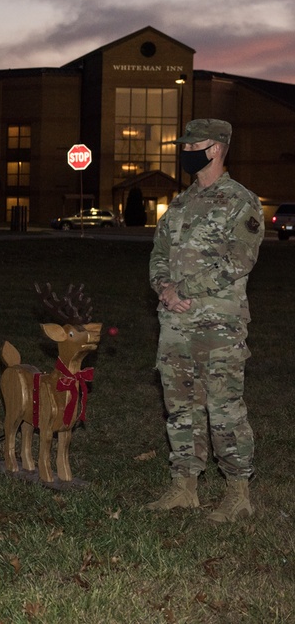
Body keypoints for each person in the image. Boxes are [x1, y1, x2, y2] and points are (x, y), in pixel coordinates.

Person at [145, 119, 264, 523]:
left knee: (224, 406)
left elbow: (239, 260)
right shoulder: (180, 203)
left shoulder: (240, 201)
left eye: (191, 144)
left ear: (215, 148)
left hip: (219, 325)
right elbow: (159, 251)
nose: (184, 151)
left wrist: (186, 289)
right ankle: (184, 487)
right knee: (180, 406)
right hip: (175, 324)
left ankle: (238, 493)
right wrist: (163, 286)